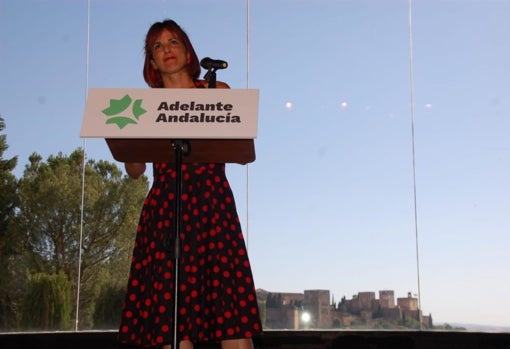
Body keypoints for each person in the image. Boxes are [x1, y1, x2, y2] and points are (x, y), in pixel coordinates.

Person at [118, 19, 263, 349]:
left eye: (173, 42)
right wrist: (128, 136)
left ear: (187, 53)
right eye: (157, 46)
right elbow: (135, 170)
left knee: (231, 312)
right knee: (171, 317)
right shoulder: (143, 107)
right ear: (152, 63)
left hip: (213, 206)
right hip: (168, 209)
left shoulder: (216, 92)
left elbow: (240, 150)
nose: (166, 50)